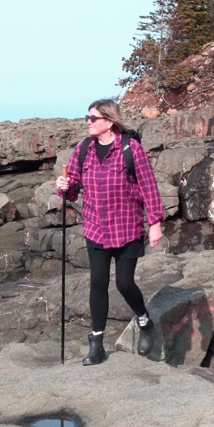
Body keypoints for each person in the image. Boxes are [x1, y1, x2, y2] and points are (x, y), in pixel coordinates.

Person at [55, 99, 164, 365]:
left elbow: (149, 186)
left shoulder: (130, 149)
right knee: (98, 283)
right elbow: (72, 191)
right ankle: (97, 343)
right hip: (96, 228)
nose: (88, 122)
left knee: (124, 284)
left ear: (109, 121)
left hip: (126, 228)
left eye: (93, 118)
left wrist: (155, 222)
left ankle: (144, 321)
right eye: (88, 118)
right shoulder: (83, 150)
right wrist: (63, 186)